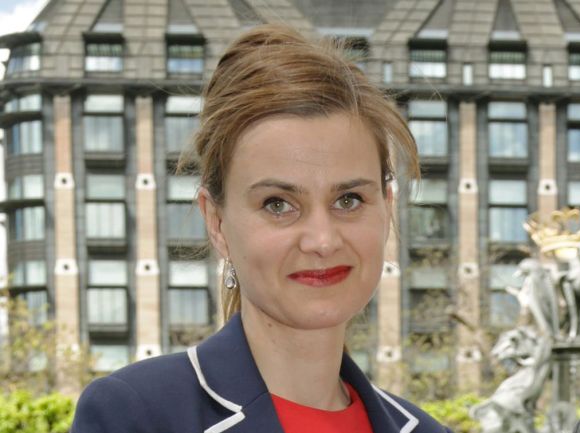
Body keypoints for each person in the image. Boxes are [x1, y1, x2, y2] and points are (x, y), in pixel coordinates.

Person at [70, 24, 453, 433]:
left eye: (348, 200)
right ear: (216, 222)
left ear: (386, 206)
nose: (322, 240)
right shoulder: (136, 415)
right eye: (278, 205)